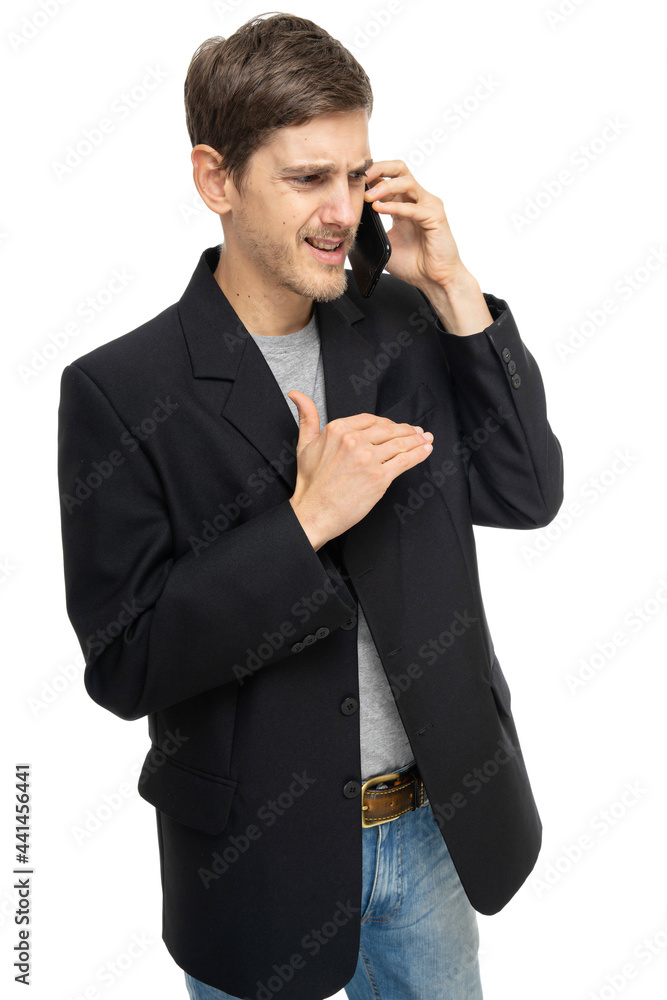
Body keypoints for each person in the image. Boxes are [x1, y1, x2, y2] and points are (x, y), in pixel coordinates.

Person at [57, 12, 564, 1000]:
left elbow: (527, 491)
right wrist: (301, 523)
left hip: (432, 834)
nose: (342, 211)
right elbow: (124, 662)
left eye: (354, 173)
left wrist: (457, 289)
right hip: (258, 855)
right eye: (305, 178)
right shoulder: (120, 388)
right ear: (215, 180)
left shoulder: (412, 329)